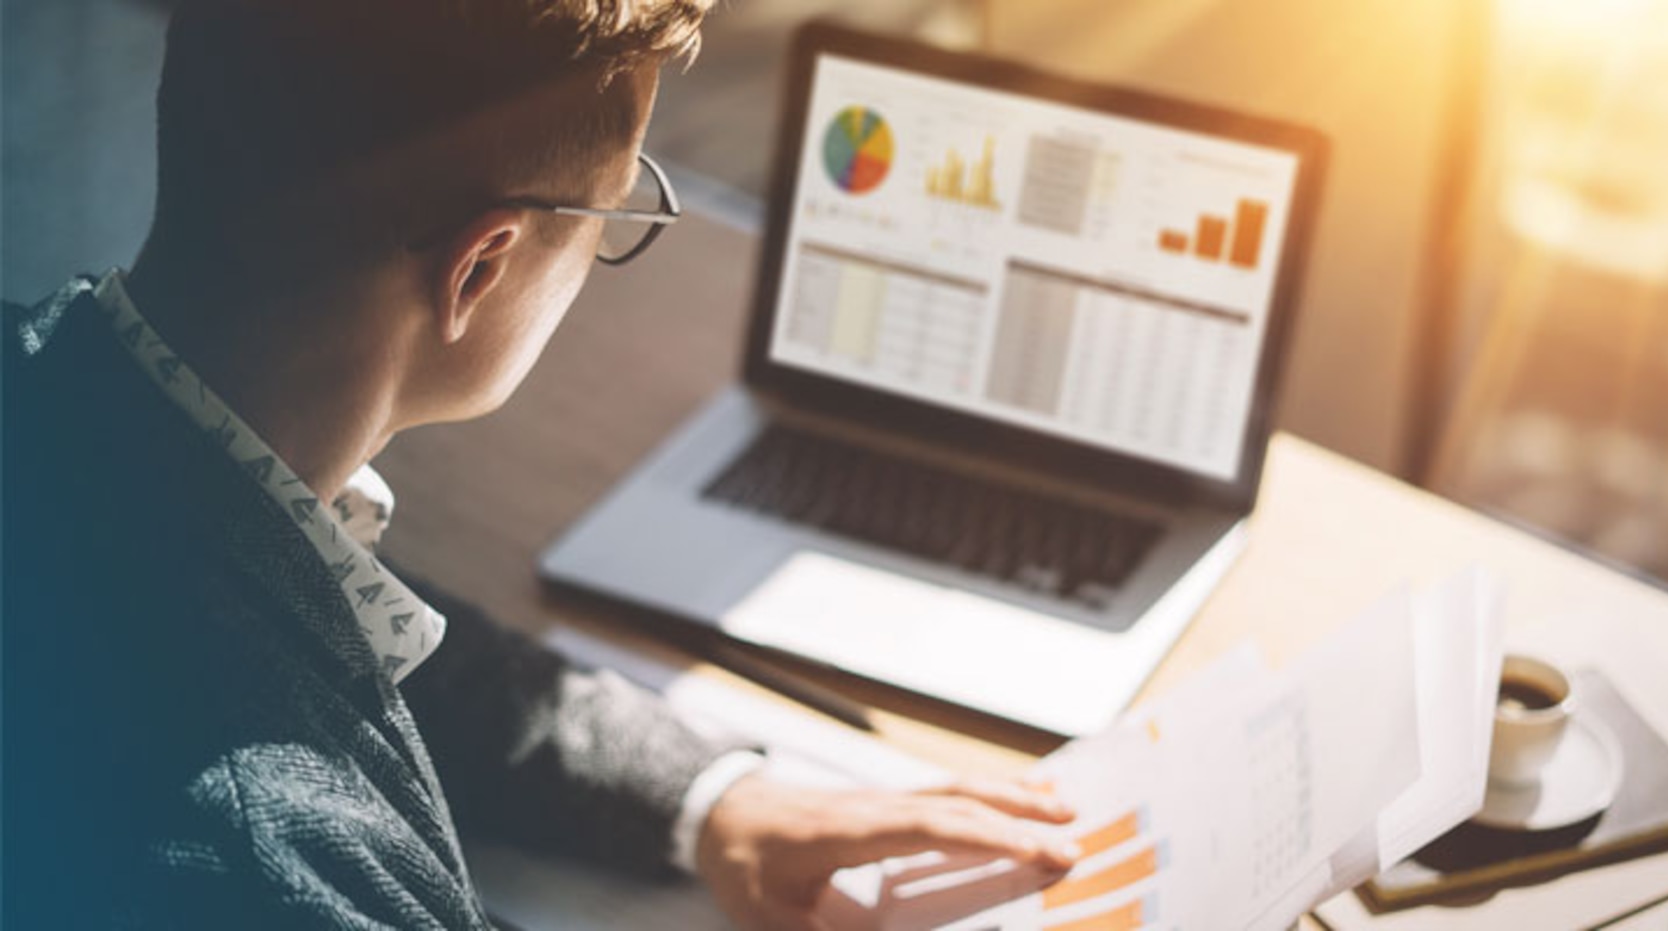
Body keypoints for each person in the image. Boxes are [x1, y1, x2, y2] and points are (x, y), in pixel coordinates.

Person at [0, 1, 1079, 927]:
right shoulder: (276, 860)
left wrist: (705, 798)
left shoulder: (62, 408)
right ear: (480, 268)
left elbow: (302, 623)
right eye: (616, 213)